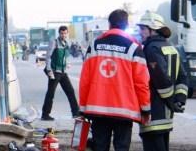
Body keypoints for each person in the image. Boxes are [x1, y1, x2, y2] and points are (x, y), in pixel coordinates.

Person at [79, 9, 151, 151]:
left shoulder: (94, 45)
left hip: (97, 109)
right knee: (122, 147)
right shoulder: (134, 47)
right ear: (126, 25)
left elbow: (85, 79)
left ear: (109, 24)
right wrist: (146, 109)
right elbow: (141, 82)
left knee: (99, 147)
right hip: (124, 111)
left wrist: (82, 108)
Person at [136, 11, 188, 151]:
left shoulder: (151, 49)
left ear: (153, 30)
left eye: (143, 28)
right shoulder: (170, 47)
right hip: (166, 115)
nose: (140, 32)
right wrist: (179, 99)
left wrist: (171, 101)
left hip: (154, 111)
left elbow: (161, 80)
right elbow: (182, 76)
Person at [41, 26, 80, 120]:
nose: (63, 35)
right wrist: (49, 70)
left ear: (67, 34)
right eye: (62, 33)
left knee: (70, 91)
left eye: (65, 33)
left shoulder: (66, 43)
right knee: (51, 93)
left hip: (62, 72)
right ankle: (45, 115)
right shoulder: (54, 42)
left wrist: (67, 64)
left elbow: (64, 57)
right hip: (54, 72)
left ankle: (76, 113)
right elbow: (48, 57)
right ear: (59, 33)